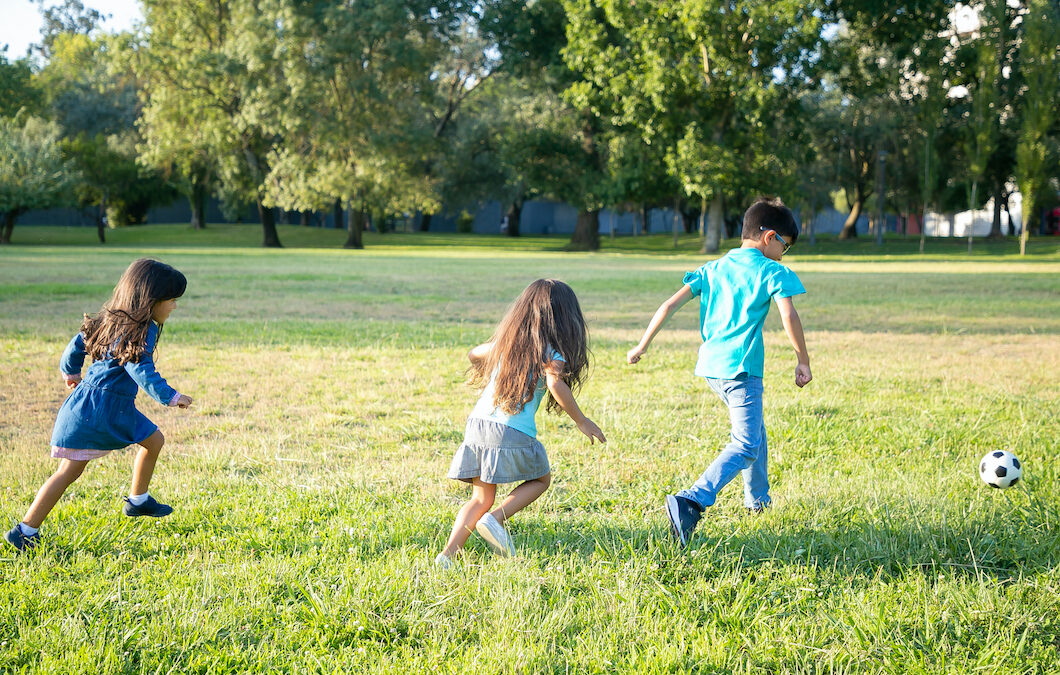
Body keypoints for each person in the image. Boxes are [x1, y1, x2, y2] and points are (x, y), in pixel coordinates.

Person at [627, 197, 812, 547]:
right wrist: (802, 360)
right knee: (745, 444)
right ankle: (691, 500)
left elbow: (668, 305)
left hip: (712, 368)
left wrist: (642, 345)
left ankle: (758, 501)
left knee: (755, 430)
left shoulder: (712, 268)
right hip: (742, 371)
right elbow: (788, 315)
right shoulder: (771, 271)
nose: (784, 255)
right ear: (770, 237)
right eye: (785, 247)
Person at [5, 259, 193, 552]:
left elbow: (75, 345)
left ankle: (137, 501)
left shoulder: (107, 319)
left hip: (94, 404)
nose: (174, 307)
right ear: (151, 300)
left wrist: (71, 373)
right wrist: (170, 396)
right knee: (72, 470)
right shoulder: (140, 330)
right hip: (103, 410)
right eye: (171, 300)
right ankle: (26, 530)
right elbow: (138, 368)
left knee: (149, 442)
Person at [437, 279, 606, 568]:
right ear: (565, 318)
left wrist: (487, 369)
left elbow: (474, 353)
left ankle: (447, 556)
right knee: (541, 480)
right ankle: (495, 519)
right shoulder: (551, 352)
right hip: (509, 429)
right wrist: (582, 420)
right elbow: (555, 383)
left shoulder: (508, 343)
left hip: (478, 424)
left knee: (480, 498)